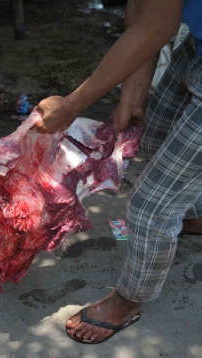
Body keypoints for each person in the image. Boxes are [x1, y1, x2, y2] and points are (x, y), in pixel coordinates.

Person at [35, 0, 201, 344]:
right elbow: (144, 10)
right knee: (155, 139)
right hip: (197, 51)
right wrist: (132, 96)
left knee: (149, 209)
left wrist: (70, 105)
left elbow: (159, 25)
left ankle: (128, 300)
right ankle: (196, 216)